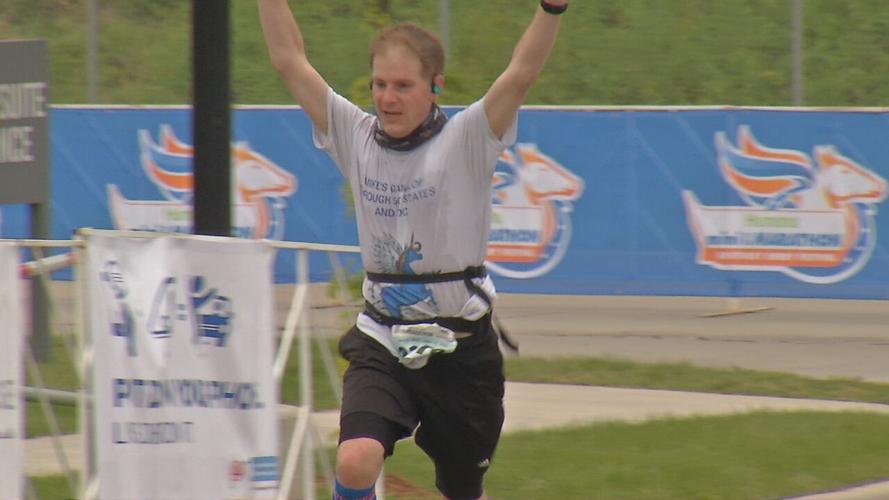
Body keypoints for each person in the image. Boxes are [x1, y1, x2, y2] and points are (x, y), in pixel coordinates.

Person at [258, 1, 566, 498]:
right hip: (383, 338)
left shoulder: (468, 138)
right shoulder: (355, 136)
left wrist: (551, 9)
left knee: (462, 491)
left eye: (403, 86)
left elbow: (521, 74)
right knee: (355, 459)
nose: (388, 98)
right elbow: (289, 60)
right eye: (380, 84)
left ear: (435, 86)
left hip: (461, 349)